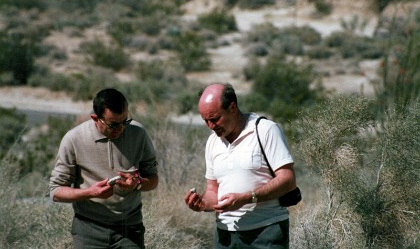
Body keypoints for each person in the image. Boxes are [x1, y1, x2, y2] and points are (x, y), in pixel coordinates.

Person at [184, 83, 297, 248]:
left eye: (215, 119)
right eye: (205, 120)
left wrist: (247, 198)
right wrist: (202, 203)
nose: (210, 126)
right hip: (225, 237)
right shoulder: (212, 142)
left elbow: (288, 179)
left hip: (266, 233)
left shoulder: (265, 130)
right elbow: (213, 191)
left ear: (232, 107)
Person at [49, 88, 158, 249]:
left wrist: (138, 183)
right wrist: (90, 193)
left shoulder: (138, 134)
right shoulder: (74, 139)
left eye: (125, 122)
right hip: (88, 229)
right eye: (113, 125)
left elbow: (153, 179)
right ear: (96, 118)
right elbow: (56, 192)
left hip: (129, 228)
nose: (121, 129)